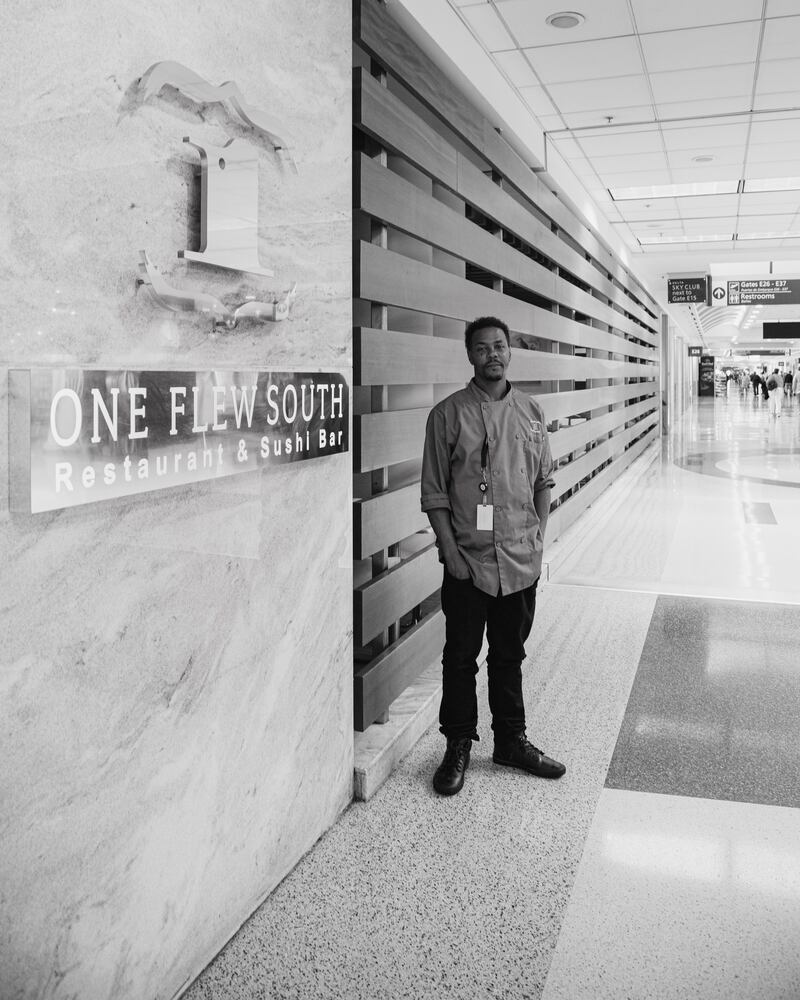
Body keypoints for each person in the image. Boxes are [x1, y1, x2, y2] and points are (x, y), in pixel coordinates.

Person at [420, 316, 566, 796]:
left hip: (520, 562)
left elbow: (543, 481)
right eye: (482, 348)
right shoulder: (446, 415)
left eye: (499, 346)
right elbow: (434, 493)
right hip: (469, 562)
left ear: (510, 351)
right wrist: (450, 553)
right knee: (460, 658)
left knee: (510, 655)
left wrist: (538, 539)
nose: (492, 355)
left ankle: (510, 741)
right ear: (470, 355)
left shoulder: (531, 411)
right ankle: (458, 743)